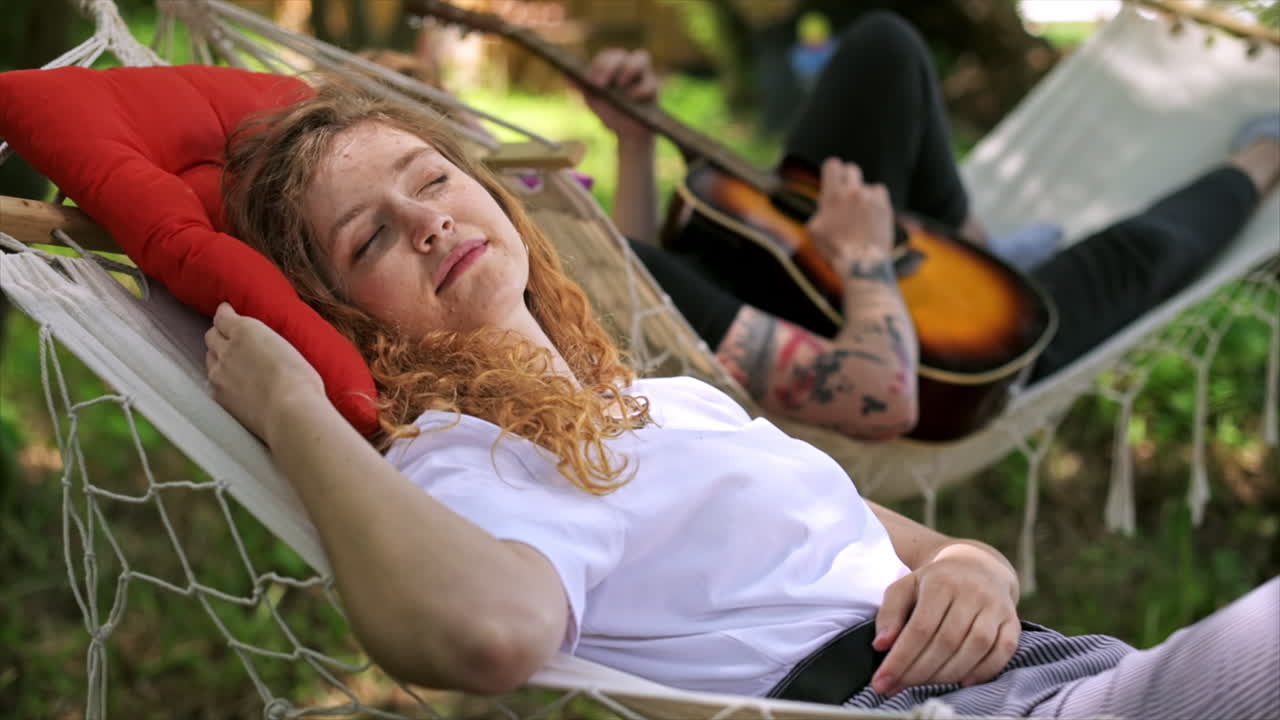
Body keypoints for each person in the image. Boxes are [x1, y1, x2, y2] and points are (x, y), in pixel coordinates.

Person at [207, 56, 1279, 715]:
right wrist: (296, 408)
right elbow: (480, 632)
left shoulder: (664, 395)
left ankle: (976, 241)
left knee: (883, 50)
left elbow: (919, 542)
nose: (428, 219)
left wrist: (978, 572)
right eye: (370, 238)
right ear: (345, 314)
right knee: (1112, 272)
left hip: (1047, 665)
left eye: (434, 179)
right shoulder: (472, 460)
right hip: (941, 633)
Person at [578, 11, 1280, 443]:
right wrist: (865, 261)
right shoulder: (515, 241)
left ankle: (973, 248)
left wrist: (633, 143)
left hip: (785, 257)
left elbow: (636, 285)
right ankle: (1266, 156)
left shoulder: (540, 221)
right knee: (1128, 258)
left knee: (884, 47)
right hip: (918, 352)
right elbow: (879, 400)